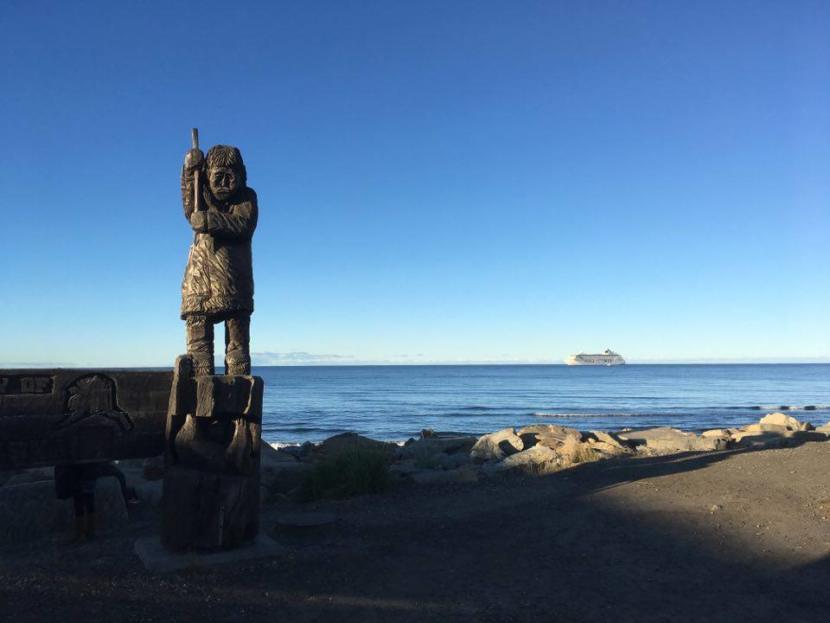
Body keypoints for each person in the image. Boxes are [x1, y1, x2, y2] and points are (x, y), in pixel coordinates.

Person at [180, 144, 258, 376]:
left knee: (237, 348)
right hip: (200, 280)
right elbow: (189, 207)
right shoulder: (200, 194)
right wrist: (188, 171)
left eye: (229, 177)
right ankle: (200, 396)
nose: (223, 183)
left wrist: (207, 221)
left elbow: (243, 225)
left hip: (235, 280)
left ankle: (239, 396)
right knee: (199, 349)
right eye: (218, 177)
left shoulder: (247, 197)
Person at [54, 461, 137, 542]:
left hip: (81, 474)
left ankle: (82, 533)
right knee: (87, 502)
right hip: (88, 473)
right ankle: (89, 532)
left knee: (80, 503)